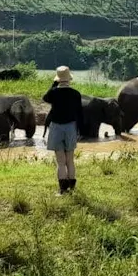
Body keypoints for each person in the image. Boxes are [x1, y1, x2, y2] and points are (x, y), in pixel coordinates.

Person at [43, 66, 84, 194]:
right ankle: (72, 188)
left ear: (58, 79)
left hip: (56, 127)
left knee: (61, 162)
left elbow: (45, 98)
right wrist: (80, 130)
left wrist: (54, 84)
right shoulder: (76, 94)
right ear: (69, 78)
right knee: (70, 160)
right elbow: (79, 114)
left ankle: (63, 190)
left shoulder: (53, 93)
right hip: (71, 127)